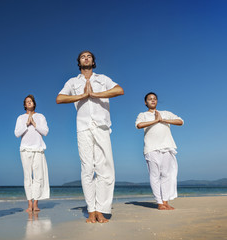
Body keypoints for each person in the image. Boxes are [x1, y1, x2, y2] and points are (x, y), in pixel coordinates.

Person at [56, 51, 124, 223]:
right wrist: (82, 96)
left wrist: (96, 94)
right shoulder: (73, 81)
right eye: (82, 56)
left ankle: (101, 209)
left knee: (105, 169)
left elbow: (119, 90)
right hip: (83, 128)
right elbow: (59, 98)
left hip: (101, 126)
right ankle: (91, 210)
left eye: (89, 56)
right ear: (79, 62)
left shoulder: (103, 78)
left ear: (93, 61)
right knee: (87, 169)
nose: (86, 58)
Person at [135, 92, 183, 210]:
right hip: (151, 148)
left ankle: (165, 202)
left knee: (166, 175)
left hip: (167, 147)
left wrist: (163, 120)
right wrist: (156, 121)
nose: (152, 100)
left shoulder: (165, 113)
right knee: (154, 175)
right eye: (150, 99)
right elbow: (139, 125)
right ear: (145, 102)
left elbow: (180, 121)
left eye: (154, 99)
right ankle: (159, 202)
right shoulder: (143, 114)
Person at [14, 95, 50, 212]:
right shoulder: (20, 118)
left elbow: (45, 132)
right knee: (27, 177)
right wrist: (26, 124)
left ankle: (36, 203)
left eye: (31, 101)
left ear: (34, 103)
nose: (29, 103)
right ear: (24, 105)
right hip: (25, 149)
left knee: (38, 177)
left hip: (38, 149)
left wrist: (34, 124)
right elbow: (17, 133)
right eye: (27, 102)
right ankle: (29, 204)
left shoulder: (41, 117)